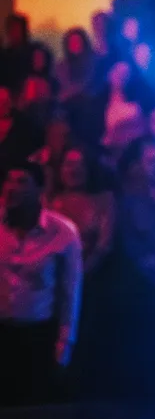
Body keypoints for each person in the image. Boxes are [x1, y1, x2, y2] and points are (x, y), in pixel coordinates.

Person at [0, 162, 83, 407]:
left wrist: (64, 345)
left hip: (37, 337)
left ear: (39, 190)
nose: (12, 188)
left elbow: (71, 294)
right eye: (9, 181)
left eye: (22, 181)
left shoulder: (63, 232)